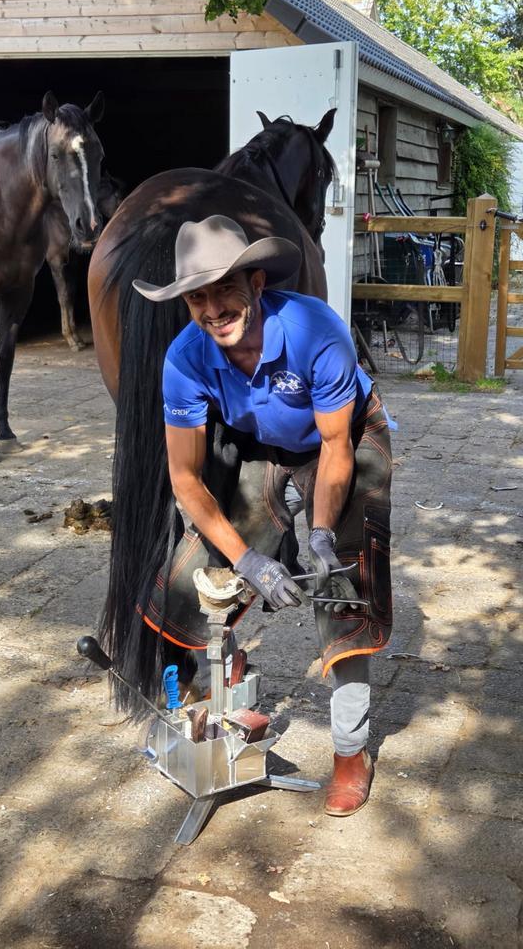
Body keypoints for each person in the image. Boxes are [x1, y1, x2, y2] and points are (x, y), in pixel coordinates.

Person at [132, 214, 393, 816]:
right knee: (198, 574)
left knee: (344, 588)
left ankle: (352, 751)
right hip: (261, 443)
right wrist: (248, 557)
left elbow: (334, 449)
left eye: (225, 289)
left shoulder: (313, 330)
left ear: (255, 281)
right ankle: (202, 705)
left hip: (342, 437)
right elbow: (185, 479)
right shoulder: (185, 358)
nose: (212, 308)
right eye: (197, 296)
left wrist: (323, 533)